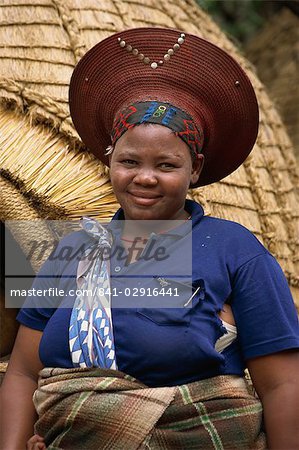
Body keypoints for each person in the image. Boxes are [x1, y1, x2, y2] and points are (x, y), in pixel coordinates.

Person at [1, 27, 298, 450]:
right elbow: (22, 373)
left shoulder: (234, 250)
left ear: (194, 170)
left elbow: (283, 384)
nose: (144, 177)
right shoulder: (71, 248)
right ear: (109, 161)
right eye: (129, 161)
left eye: (166, 164)